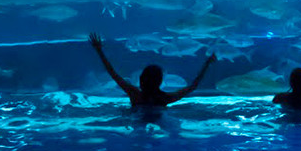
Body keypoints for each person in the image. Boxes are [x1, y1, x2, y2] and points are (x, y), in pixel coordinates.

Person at [88, 32, 216, 107]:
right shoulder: (166, 98)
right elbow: (193, 86)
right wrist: (207, 64)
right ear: (160, 81)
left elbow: (113, 73)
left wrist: (99, 50)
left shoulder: (135, 94)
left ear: (141, 79)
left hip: (136, 122)